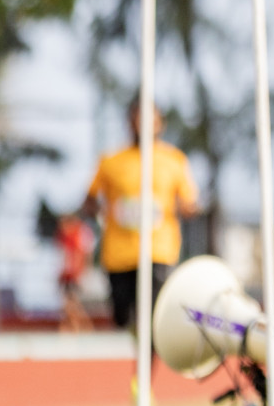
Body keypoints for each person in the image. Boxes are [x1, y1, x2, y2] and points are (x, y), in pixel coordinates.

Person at [80, 99, 200, 335]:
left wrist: (188, 210)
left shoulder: (174, 161)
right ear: (129, 123)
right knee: (122, 317)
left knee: (154, 317)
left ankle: (144, 367)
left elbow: (189, 202)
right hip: (119, 254)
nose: (143, 126)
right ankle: (137, 341)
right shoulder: (111, 162)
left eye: (149, 120)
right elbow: (89, 199)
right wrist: (100, 210)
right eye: (137, 120)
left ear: (160, 124)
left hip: (158, 251)